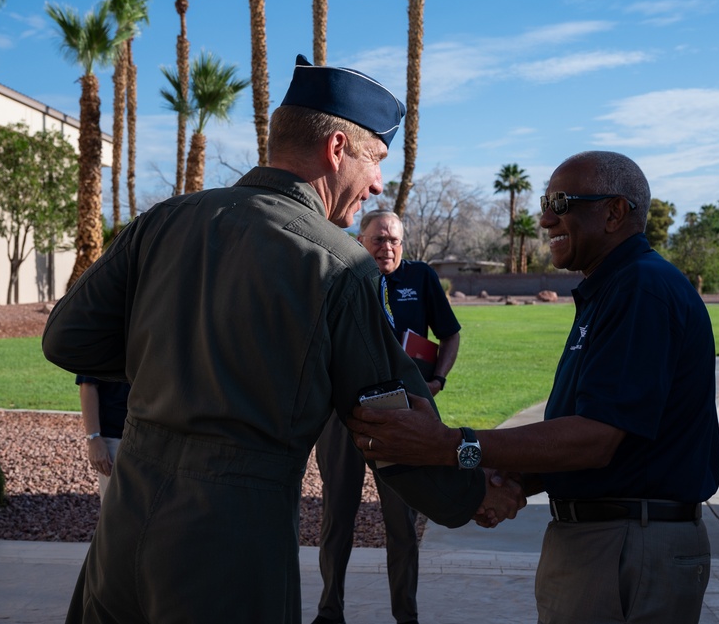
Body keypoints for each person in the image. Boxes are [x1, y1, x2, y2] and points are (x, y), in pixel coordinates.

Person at [42, 54, 523, 624]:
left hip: (121, 529)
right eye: (376, 160)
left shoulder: (164, 219)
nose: (377, 183)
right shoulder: (341, 265)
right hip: (230, 544)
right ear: (337, 147)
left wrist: (177, 365)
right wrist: (473, 494)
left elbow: (67, 339)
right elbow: (388, 425)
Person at [350, 151, 719, 624]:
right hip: (608, 539)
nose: (546, 218)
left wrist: (452, 447)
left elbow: (596, 438)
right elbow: (610, 440)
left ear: (614, 212)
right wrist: (517, 482)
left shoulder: (641, 289)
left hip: (627, 546)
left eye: (562, 202)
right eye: (546, 202)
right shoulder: (612, 290)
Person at [313, 210, 461, 624]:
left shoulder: (421, 279)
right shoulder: (341, 277)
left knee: (401, 520)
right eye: (379, 239)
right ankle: (329, 611)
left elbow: (450, 332)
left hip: (402, 415)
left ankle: (406, 615)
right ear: (360, 241)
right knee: (337, 516)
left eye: (395, 240)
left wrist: (438, 380)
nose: (388, 247)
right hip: (345, 414)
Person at [76, 375, 131, 499]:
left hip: (155, 438)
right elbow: (87, 384)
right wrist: (94, 438)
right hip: (116, 439)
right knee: (118, 511)